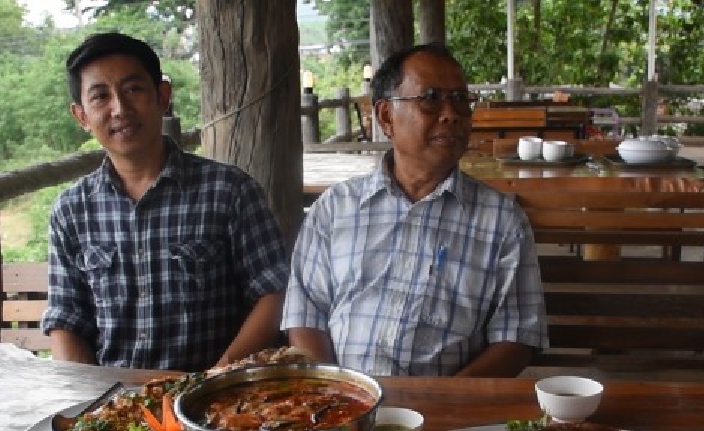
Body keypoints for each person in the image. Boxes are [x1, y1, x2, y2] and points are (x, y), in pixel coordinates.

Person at [281, 44, 548, 377]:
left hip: (447, 410)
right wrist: (338, 396)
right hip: (343, 406)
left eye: (461, 99)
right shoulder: (335, 208)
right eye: (431, 98)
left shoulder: (502, 221)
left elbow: (517, 337)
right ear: (386, 116)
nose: (451, 113)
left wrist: (445, 402)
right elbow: (306, 315)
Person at [42, 32, 290, 372]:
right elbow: (65, 319)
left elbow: (275, 292)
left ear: (162, 96)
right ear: (82, 116)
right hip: (115, 402)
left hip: (213, 399)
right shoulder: (71, 210)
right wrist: (88, 397)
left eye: (133, 89)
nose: (120, 108)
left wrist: (217, 375)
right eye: (100, 97)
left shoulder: (229, 190)